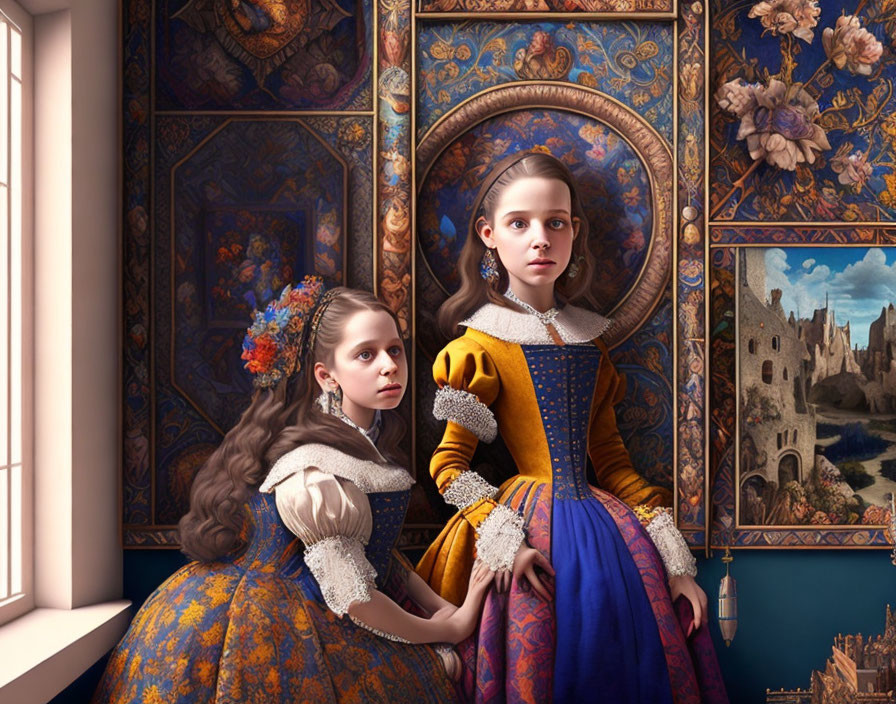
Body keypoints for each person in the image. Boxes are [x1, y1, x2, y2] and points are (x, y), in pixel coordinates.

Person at [416, 151, 728, 703]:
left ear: (573, 231)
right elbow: (448, 466)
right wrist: (502, 539)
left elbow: (612, 461)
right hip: (527, 530)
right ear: (489, 234)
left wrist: (674, 560)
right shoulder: (476, 348)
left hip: (607, 532)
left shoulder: (591, 342)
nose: (540, 239)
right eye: (520, 224)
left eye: (555, 223)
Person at [94, 278, 493, 704]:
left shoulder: (361, 443)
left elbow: (376, 554)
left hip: (333, 602)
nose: (389, 365)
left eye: (394, 349)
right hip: (273, 626)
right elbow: (355, 597)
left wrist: (437, 605)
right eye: (365, 354)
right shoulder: (316, 467)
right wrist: (445, 628)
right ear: (327, 376)